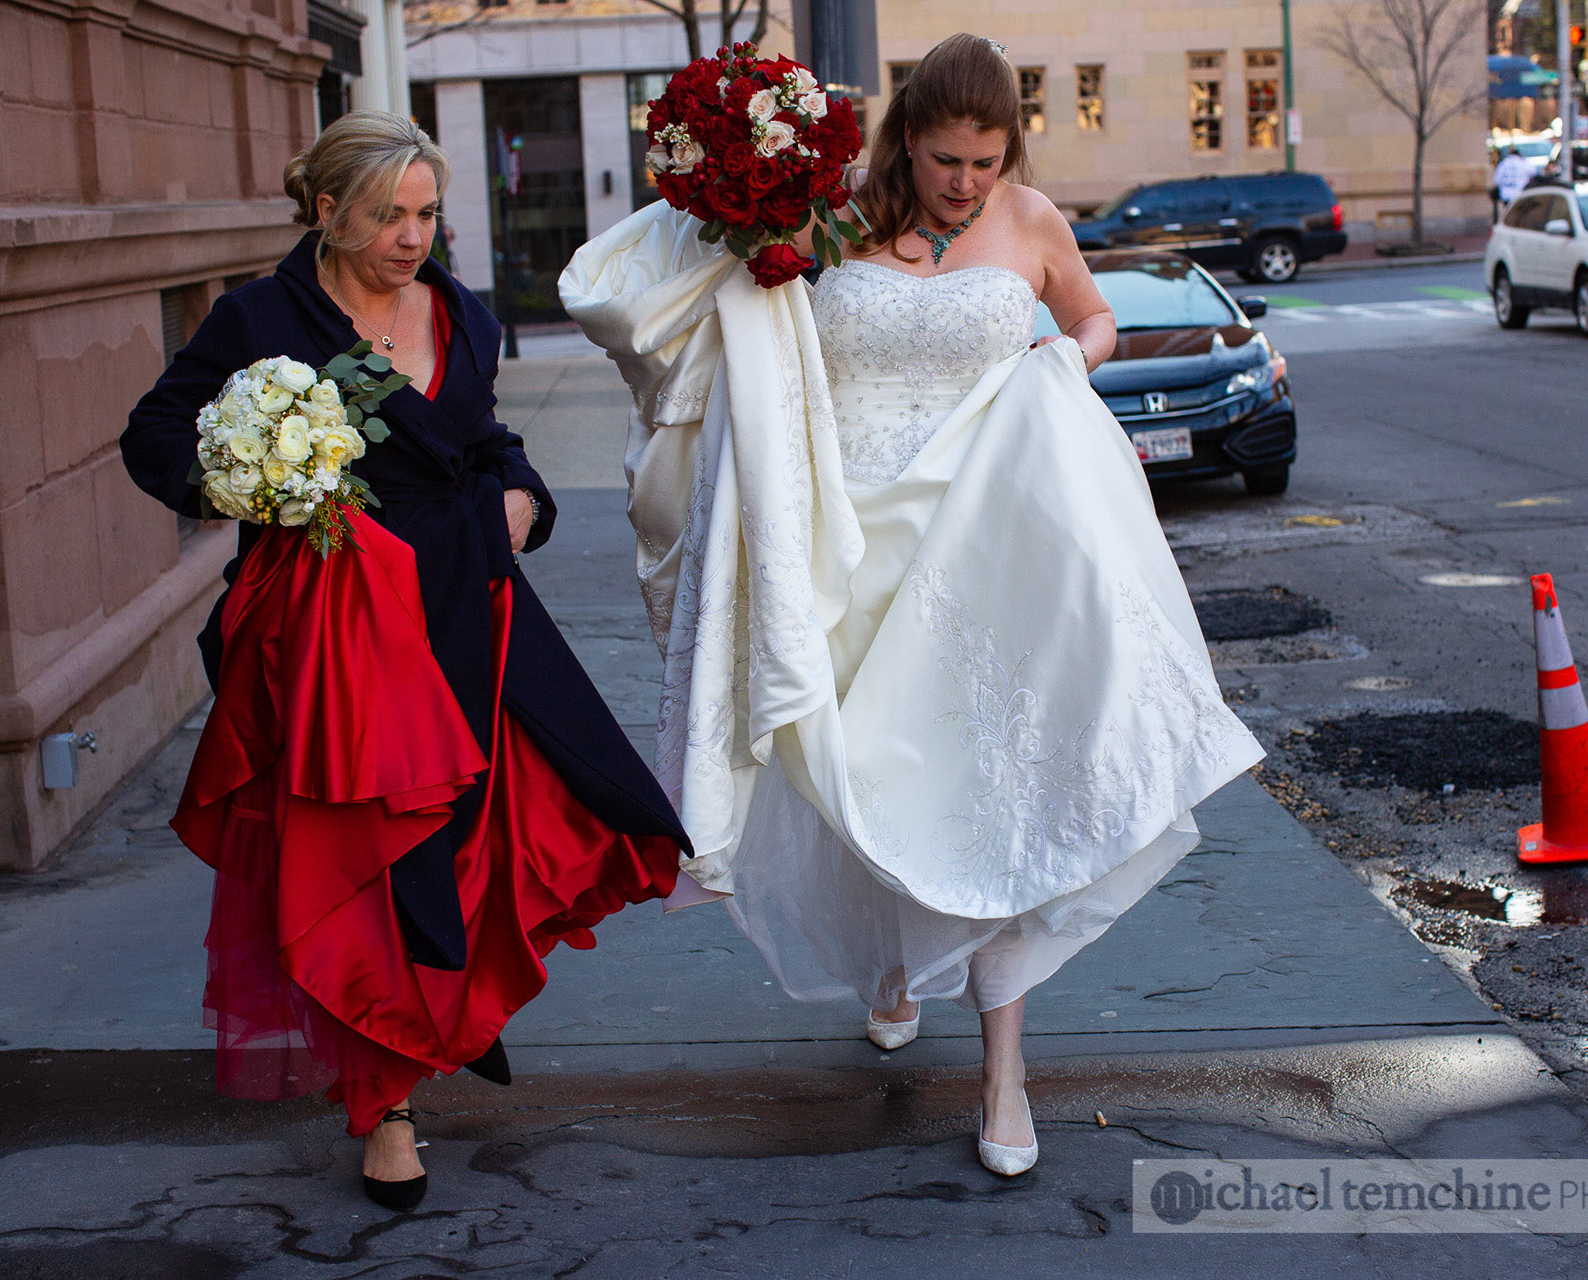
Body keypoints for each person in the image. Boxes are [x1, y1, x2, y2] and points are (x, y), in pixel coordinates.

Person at [562, 34, 1261, 1177]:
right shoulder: (830, 216)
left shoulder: (1033, 222)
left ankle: (1003, 1071)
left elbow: (1094, 322)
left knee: (992, 784)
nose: (968, 182)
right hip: (849, 536)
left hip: (990, 535)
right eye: (947, 159)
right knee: (863, 772)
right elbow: (752, 332)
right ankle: (888, 968)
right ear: (906, 140)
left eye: (987, 161)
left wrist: (1062, 368)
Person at [121, 111, 688, 1212]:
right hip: (337, 628)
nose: (411, 235)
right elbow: (157, 436)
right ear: (327, 210)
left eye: (425, 213)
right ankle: (386, 1106)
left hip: (465, 602)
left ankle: (448, 1011)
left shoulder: (458, 314)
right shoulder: (260, 317)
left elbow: (484, 439)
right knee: (371, 855)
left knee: (506, 826)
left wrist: (523, 490)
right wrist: (255, 482)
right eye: (388, 215)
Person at [1493, 142, 1538, 219]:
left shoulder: (1503, 164)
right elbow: (1534, 172)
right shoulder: (1522, 163)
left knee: (1508, 215)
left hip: (1505, 195)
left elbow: (1496, 180)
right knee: (1520, 216)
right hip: (1519, 194)